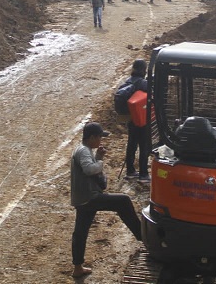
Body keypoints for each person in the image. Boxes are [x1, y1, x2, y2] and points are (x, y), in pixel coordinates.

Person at [71, 122, 142, 278]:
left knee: (80, 232)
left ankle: (78, 267)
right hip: (90, 197)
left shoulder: (85, 150)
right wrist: (101, 162)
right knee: (123, 201)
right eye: (99, 138)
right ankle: (143, 237)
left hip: (82, 199)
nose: (100, 141)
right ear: (91, 137)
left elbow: (89, 166)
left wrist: (97, 157)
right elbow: (89, 169)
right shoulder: (83, 151)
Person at [123, 59, 150, 183]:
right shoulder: (144, 84)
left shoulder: (127, 82)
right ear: (144, 70)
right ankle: (143, 174)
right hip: (143, 120)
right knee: (144, 146)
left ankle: (130, 171)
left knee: (131, 144)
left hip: (131, 119)